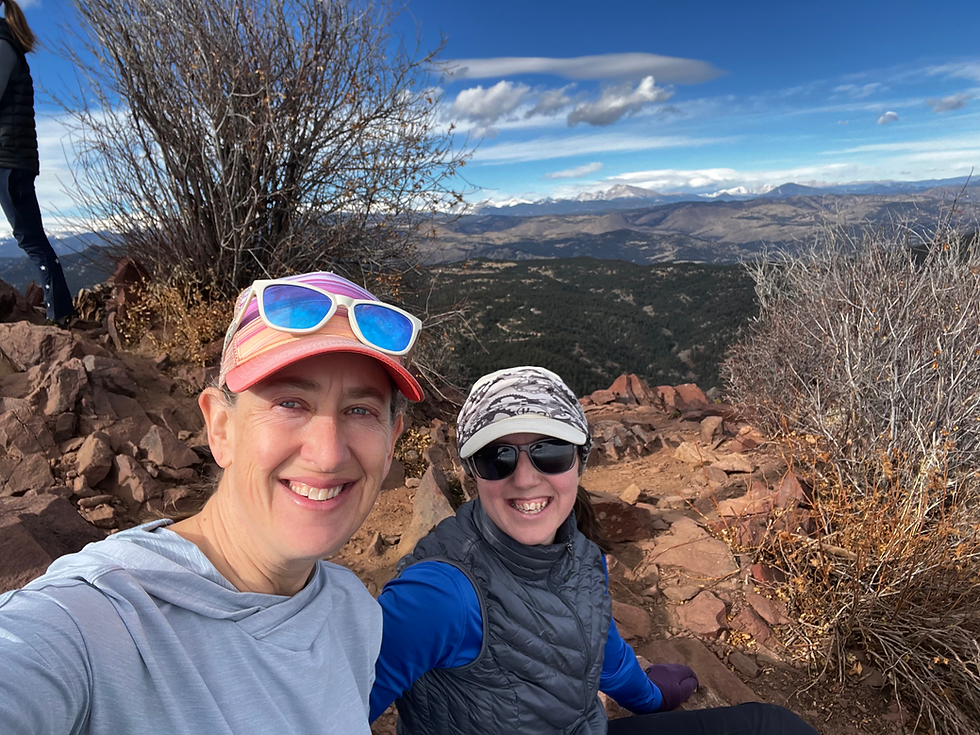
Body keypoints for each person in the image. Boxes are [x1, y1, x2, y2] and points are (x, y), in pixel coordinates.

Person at [0, 271, 423, 733]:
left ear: (390, 445)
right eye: (290, 403)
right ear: (220, 427)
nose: (328, 453)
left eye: (360, 411)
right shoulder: (100, 619)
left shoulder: (352, 613)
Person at [371, 365, 820, 735]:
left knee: (776, 726)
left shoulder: (581, 557)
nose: (526, 478)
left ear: (580, 461)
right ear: (474, 474)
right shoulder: (439, 591)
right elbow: (327, 710)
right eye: (497, 458)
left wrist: (648, 695)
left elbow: (592, 644)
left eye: (550, 453)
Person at [0, 0, 75, 324]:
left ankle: (61, 314)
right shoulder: (7, 45)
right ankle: (62, 311)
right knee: (32, 237)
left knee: (30, 238)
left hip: (9, 162)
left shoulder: (2, 46)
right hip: (13, 159)